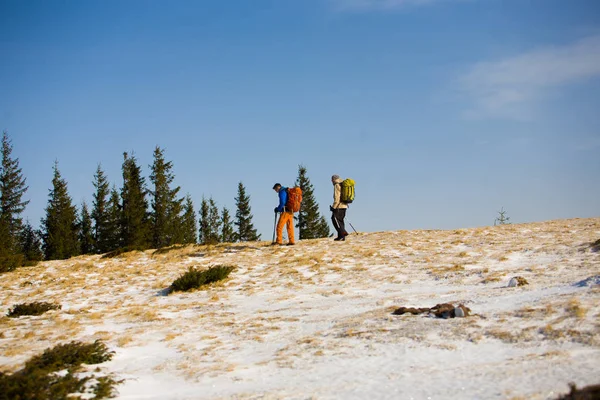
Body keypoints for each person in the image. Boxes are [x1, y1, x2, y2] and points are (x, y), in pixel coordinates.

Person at [330, 175, 349, 241]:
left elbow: (337, 198)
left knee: (334, 219)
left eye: (332, 180)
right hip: (345, 206)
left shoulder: (337, 185)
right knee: (340, 221)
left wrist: (333, 207)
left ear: (334, 179)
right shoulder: (343, 184)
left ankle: (342, 234)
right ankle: (341, 236)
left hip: (339, 206)